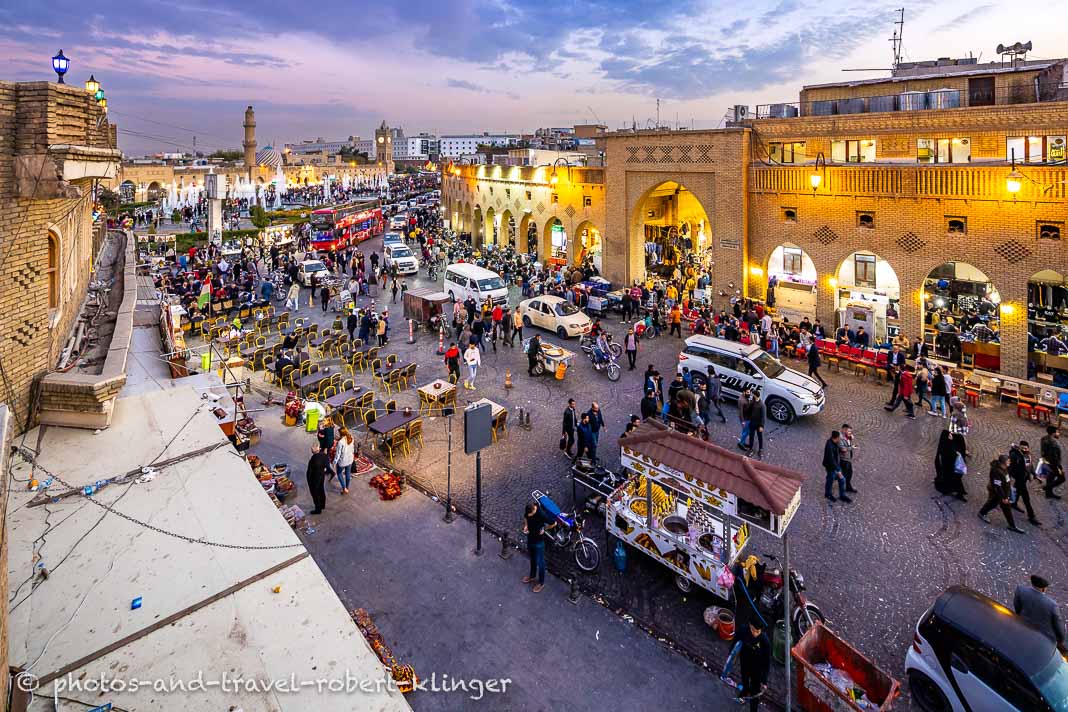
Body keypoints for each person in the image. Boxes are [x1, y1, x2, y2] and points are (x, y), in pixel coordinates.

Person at [1013, 575, 1066, 651]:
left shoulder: (1020, 590)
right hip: (1043, 636)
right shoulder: (1052, 605)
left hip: (1023, 625)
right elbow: (1058, 624)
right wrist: (1061, 639)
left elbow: (1017, 606)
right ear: (1044, 589)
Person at [978, 455, 1024, 533]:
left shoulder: (1004, 468)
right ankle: (1012, 525)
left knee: (994, 504)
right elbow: (998, 486)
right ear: (1003, 462)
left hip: (1003, 494)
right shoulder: (997, 471)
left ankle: (982, 513)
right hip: (1000, 494)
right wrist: (1004, 498)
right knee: (1003, 507)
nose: (1010, 462)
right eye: (1008, 461)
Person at [736, 620, 771, 711]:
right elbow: (736, 642)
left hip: (757, 670)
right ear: (749, 625)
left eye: (757, 631)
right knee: (745, 681)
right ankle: (744, 693)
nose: (755, 633)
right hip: (745, 663)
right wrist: (731, 656)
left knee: (755, 693)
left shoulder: (765, 641)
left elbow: (767, 663)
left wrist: (764, 681)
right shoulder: (743, 630)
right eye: (753, 630)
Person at [522, 501, 553, 593]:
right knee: (532, 558)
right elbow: (525, 517)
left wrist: (545, 529)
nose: (529, 516)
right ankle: (532, 576)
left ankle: (541, 583)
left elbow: (553, 523)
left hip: (539, 541)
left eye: (531, 514)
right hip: (530, 538)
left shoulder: (541, 514)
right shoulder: (528, 511)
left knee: (540, 562)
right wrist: (526, 526)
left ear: (534, 510)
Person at [1009, 440, 1042, 526]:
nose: (1025, 449)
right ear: (1020, 447)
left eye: (1026, 448)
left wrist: (1034, 475)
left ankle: (1014, 503)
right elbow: (1010, 467)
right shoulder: (1014, 455)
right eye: (1023, 448)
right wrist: (1009, 478)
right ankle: (1031, 516)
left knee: (1018, 492)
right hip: (1019, 478)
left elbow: (1030, 465)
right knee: (1026, 498)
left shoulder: (1028, 455)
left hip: (1024, 478)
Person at [822, 430, 851, 503]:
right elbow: (831, 460)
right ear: (837, 438)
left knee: (841, 479)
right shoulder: (829, 446)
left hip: (835, 465)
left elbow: (837, 452)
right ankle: (828, 494)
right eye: (839, 438)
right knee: (831, 479)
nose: (840, 439)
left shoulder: (834, 442)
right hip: (831, 466)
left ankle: (842, 495)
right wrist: (838, 470)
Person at [1041, 425, 1065, 499]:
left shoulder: (1044, 438)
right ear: (1053, 433)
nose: (1059, 433)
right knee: (1062, 478)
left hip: (1047, 461)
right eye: (1057, 432)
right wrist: (1060, 467)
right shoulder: (1053, 443)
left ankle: (1049, 493)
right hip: (1054, 464)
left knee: (1050, 477)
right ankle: (1047, 487)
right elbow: (1055, 457)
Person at [306, 443, 331, 515]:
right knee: (321, 490)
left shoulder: (313, 459)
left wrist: (309, 481)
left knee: (315, 494)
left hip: (314, 478)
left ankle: (318, 509)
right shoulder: (324, 455)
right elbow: (327, 464)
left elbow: (309, 472)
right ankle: (323, 505)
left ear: (313, 451)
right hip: (321, 476)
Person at [334, 428, 355, 494]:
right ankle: (347, 487)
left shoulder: (340, 442)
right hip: (350, 459)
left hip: (342, 461)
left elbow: (338, 454)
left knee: (339, 473)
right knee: (348, 474)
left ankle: (344, 488)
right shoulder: (351, 437)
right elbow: (352, 449)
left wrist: (334, 462)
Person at [839, 423, 858, 493]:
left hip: (847, 459)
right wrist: (851, 447)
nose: (850, 433)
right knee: (843, 474)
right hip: (843, 459)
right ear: (844, 430)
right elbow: (843, 449)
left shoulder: (847, 436)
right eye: (849, 431)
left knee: (849, 473)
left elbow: (849, 441)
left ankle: (848, 487)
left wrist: (850, 438)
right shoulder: (840, 438)